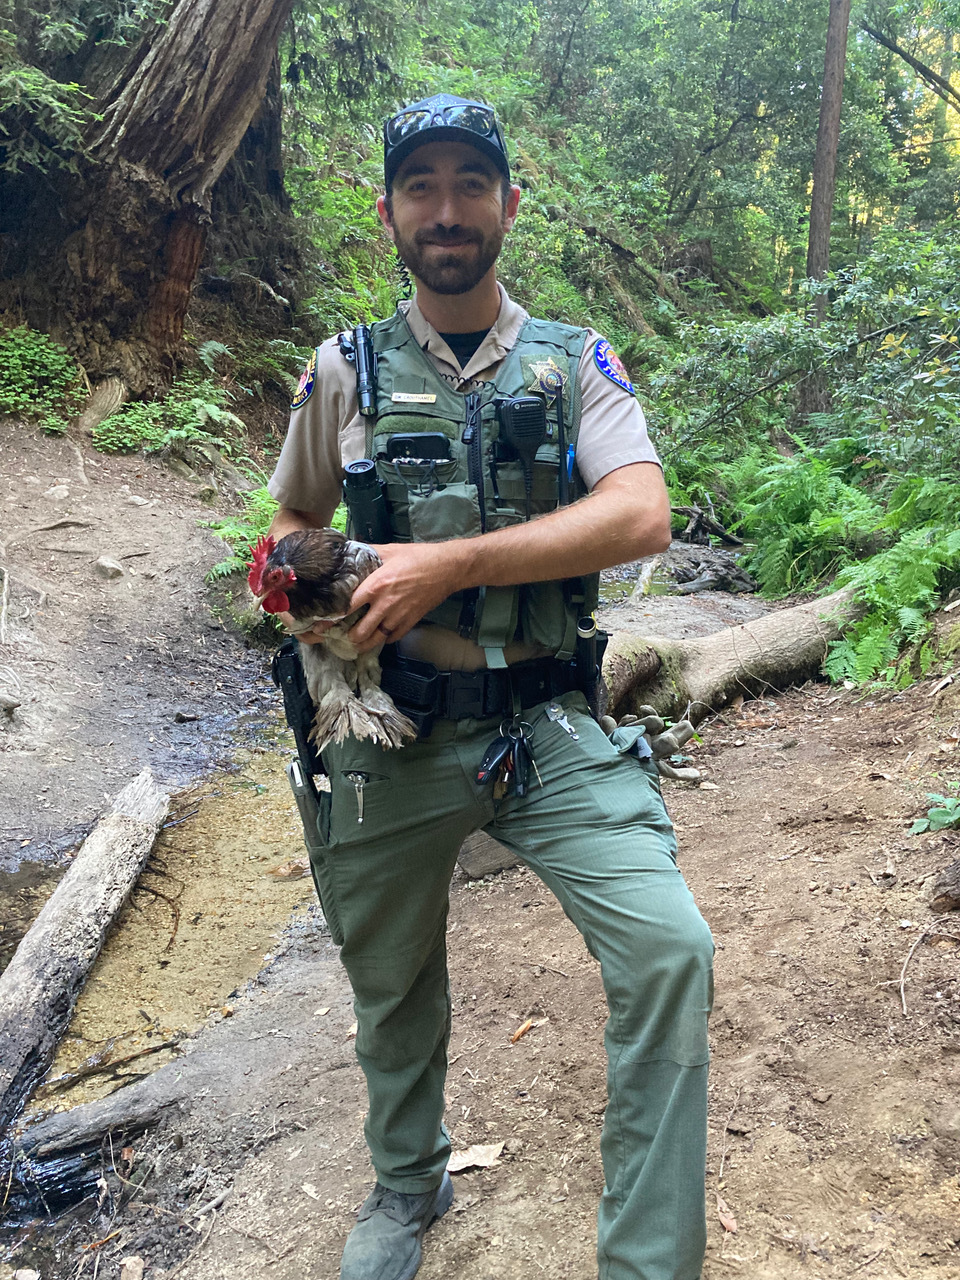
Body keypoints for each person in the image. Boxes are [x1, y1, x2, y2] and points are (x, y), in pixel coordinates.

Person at [266, 93, 714, 1280]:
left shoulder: (578, 362)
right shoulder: (342, 369)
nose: (448, 209)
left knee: (669, 950)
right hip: (391, 726)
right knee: (390, 975)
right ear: (388, 214)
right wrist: (306, 588)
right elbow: (294, 515)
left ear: (509, 205)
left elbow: (641, 511)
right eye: (423, 186)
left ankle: (650, 1260)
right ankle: (407, 1185)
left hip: (550, 719)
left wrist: (448, 565)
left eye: (473, 183)